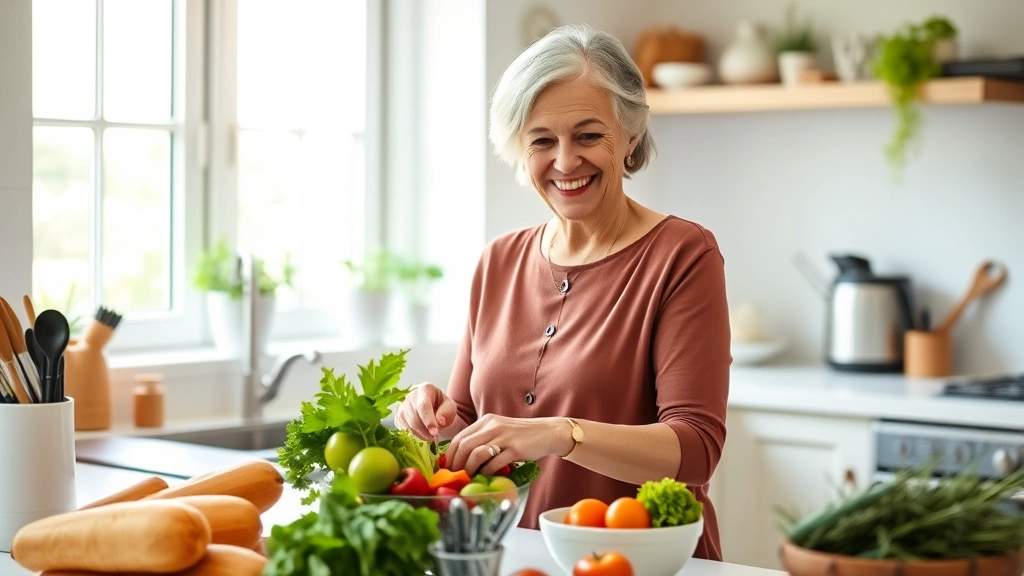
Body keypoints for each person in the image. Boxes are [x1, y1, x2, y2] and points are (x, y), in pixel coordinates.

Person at [393, 24, 731, 561]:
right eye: (542, 141)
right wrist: (433, 417)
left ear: (630, 135)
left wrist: (560, 434)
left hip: (642, 564)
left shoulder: (683, 255)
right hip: (517, 557)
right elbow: (465, 418)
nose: (566, 161)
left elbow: (695, 448)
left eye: (589, 135)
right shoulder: (498, 261)